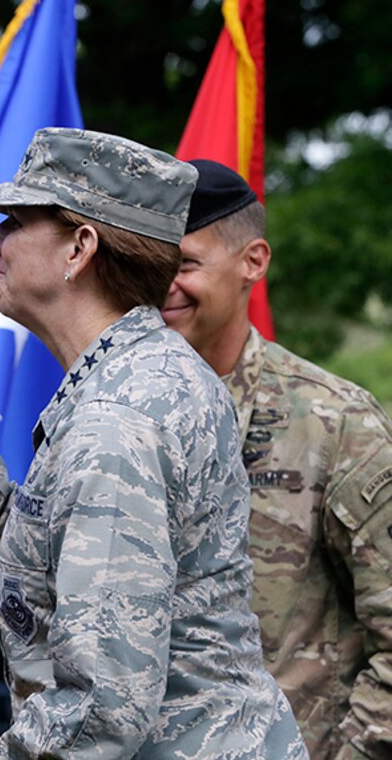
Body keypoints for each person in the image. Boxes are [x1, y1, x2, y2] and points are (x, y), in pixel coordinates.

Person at [0, 128, 306, 758]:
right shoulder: (142, 374)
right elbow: (39, 565)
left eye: (15, 220)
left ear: (80, 247)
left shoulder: (116, 418)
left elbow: (101, 711)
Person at [163, 159, 392, 759]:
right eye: (151, 263)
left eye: (185, 264)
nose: (163, 284)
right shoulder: (115, 417)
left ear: (253, 263)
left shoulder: (333, 422)